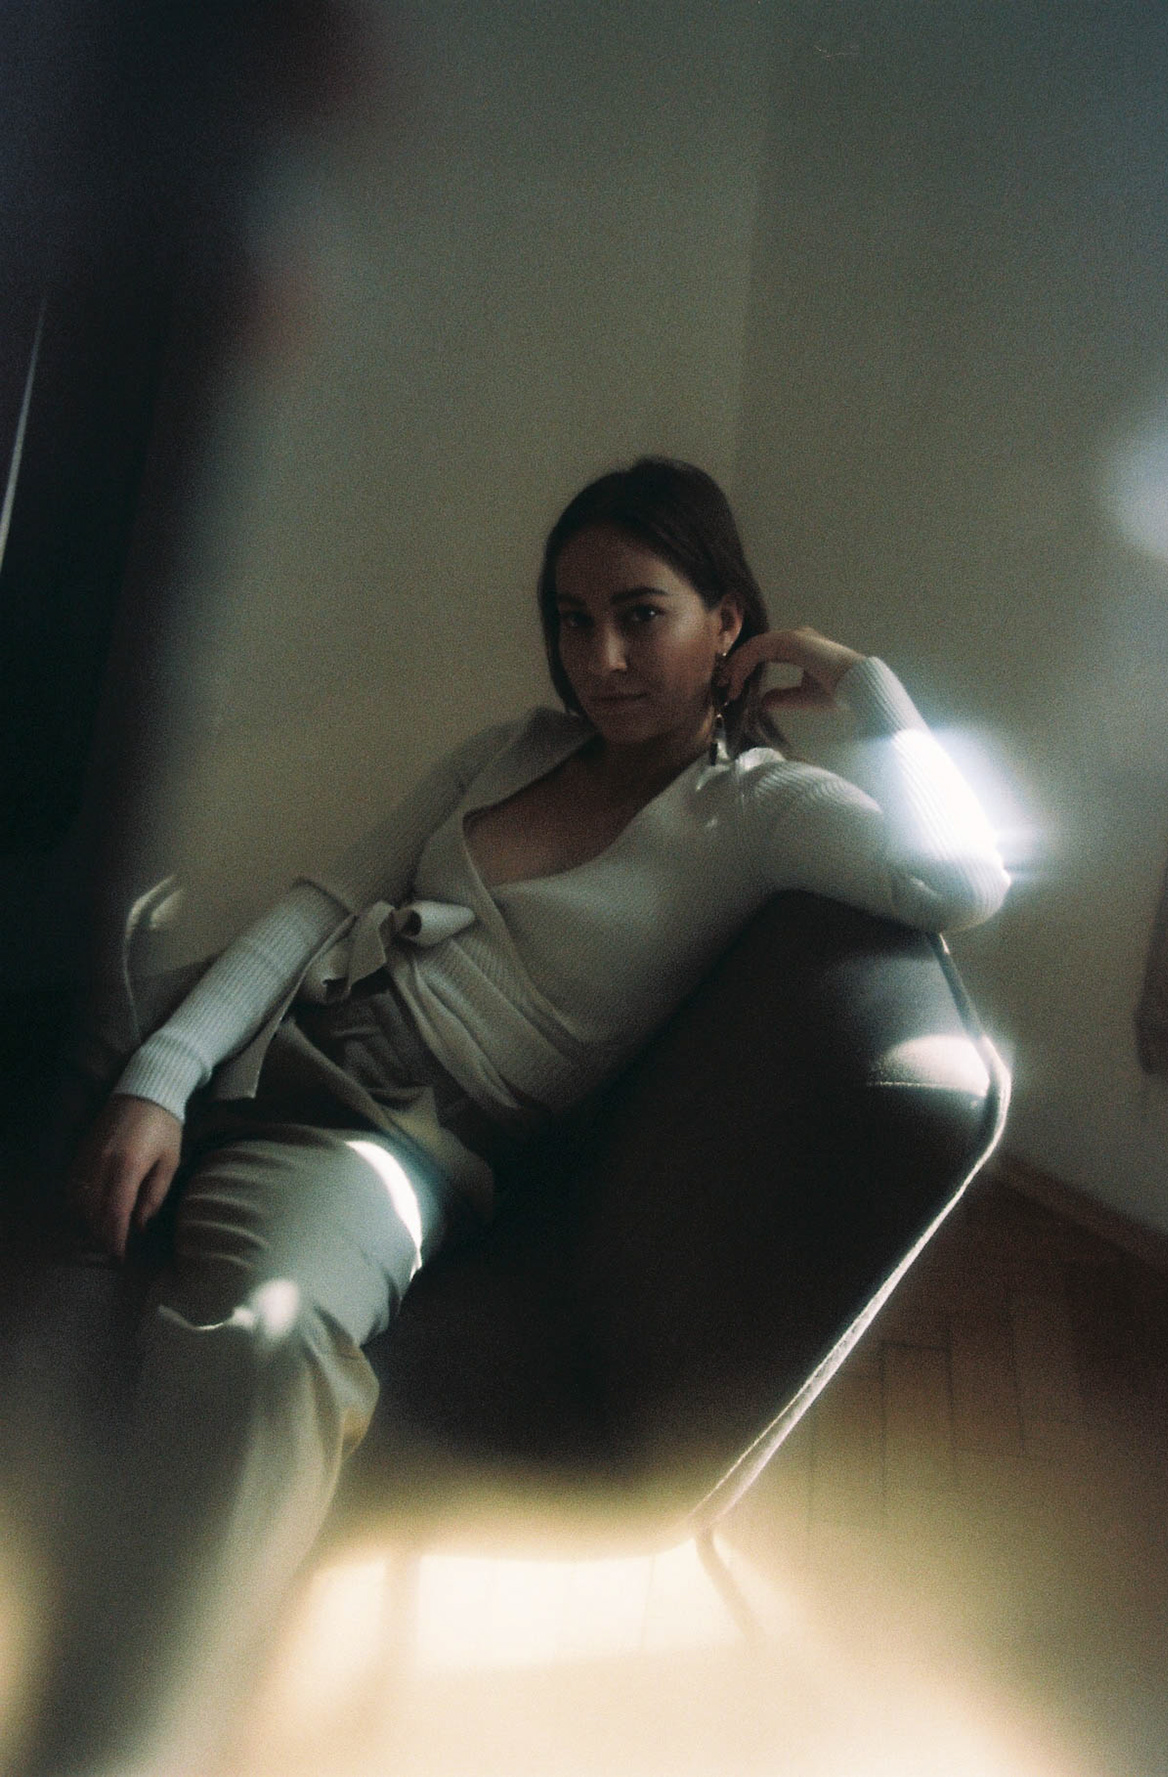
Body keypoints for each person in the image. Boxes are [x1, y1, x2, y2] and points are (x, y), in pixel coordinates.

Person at [24, 457, 1010, 1775]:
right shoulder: (510, 748)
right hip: (250, 1028)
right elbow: (322, 904)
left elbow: (965, 880)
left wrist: (862, 683)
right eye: (572, 617)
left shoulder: (758, 811)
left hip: (372, 1140)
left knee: (267, 1342)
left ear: (728, 621)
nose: (601, 658)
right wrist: (160, 1075)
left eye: (641, 614)